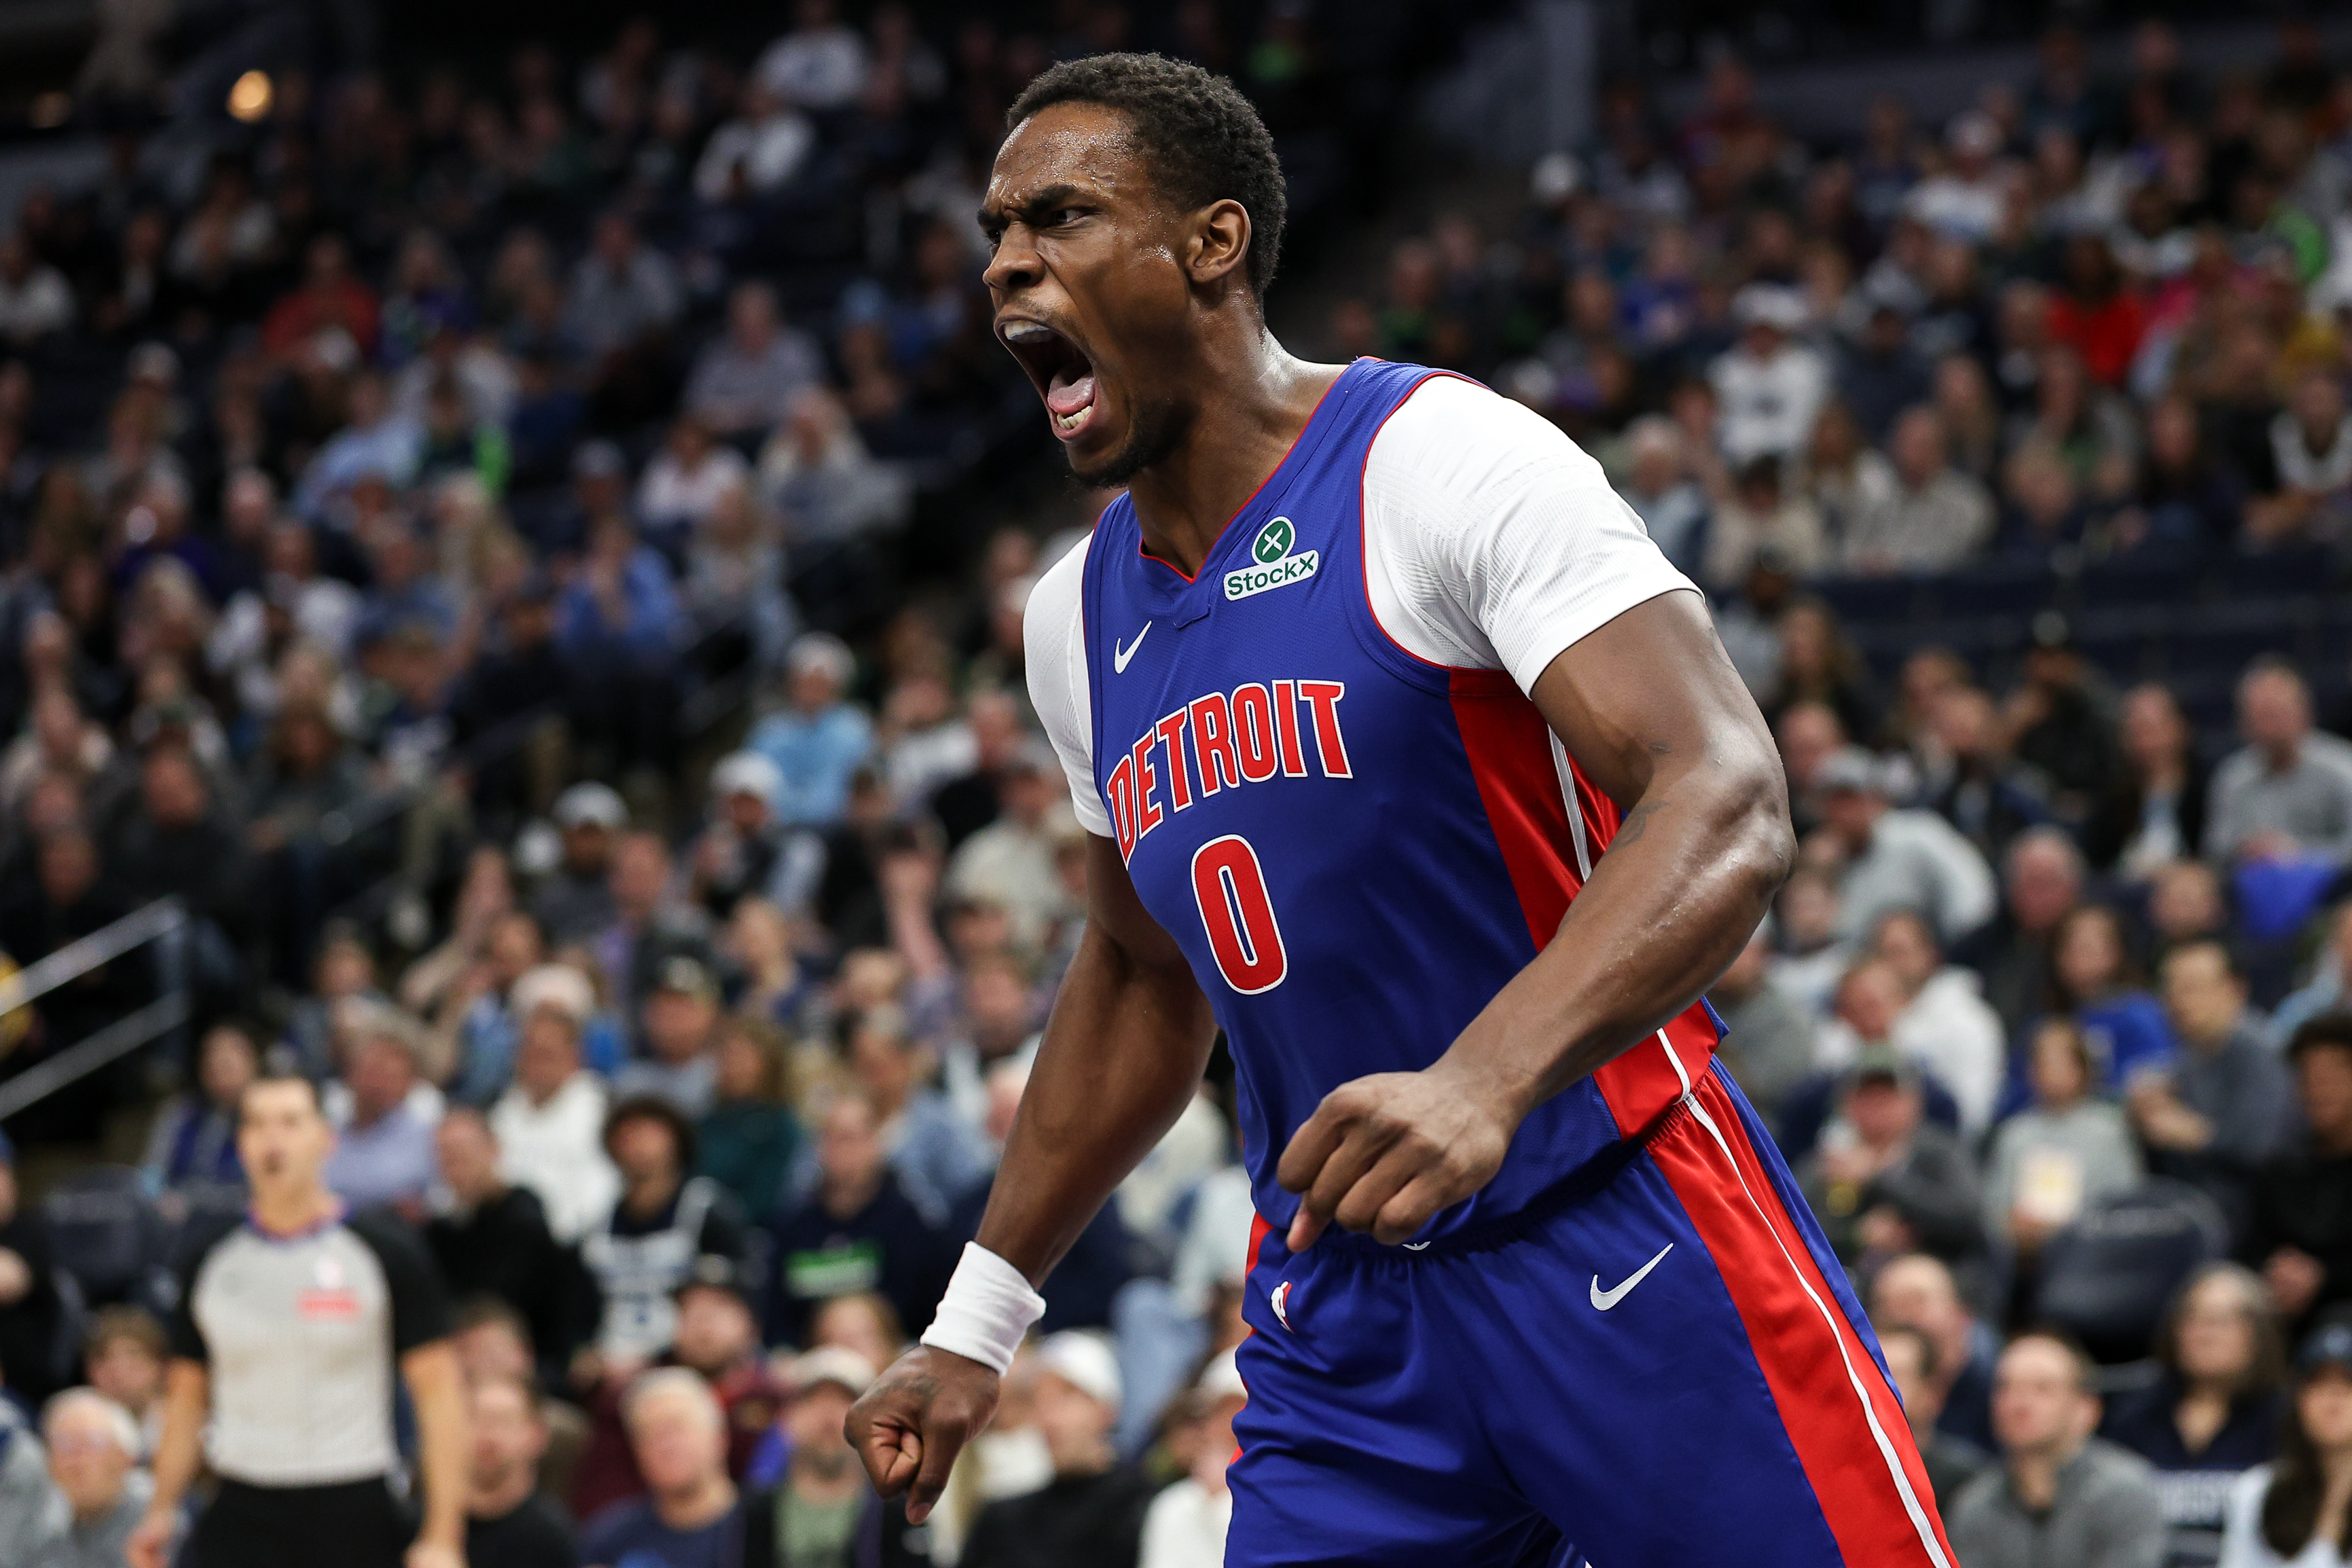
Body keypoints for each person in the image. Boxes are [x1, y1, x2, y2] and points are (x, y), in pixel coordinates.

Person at [850, 54, 1947, 1568]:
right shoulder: (1071, 619)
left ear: (1213, 245)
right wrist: (977, 1319)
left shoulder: (1437, 458)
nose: (1007, 263)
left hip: (1618, 1225)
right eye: (996, 232)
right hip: (1344, 1316)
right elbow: (1137, 973)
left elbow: (1727, 789)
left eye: (1061, 216)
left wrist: (1483, 1080)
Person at [127, 1072, 467, 1568]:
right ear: (241, 1143)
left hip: (351, 1499)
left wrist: (443, 1534)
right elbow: (186, 1399)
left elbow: (439, 1397)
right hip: (242, 1500)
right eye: (257, 1124)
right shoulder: (210, 1260)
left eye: (290, 1122)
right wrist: (161, 1508)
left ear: (324, 1140)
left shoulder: (384, 1251)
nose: (272, 1138)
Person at [2103, 1265, 2286, 1568]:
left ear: (2259, 1334)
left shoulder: (2285, 1421)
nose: (2204, 1333)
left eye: (2222, 1321)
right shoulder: (2133, 1416)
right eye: (2192, 1319)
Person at [1944, 1332, 2167, 1568]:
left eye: (2042, 1389)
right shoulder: (1975, 1503)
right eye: (2005, 1387)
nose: (2019, 1403)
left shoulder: (2125, 1492)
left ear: (2087, 1409)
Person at [424, 1108, 594, 1386]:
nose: (455, 1165)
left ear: (494, 1149)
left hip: (535, 1365)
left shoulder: (525, 1221)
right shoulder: (441, 1232)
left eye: (464, 1154)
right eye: (446, 1156)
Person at [580, 1097, 746, 1381]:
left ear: (677, 1142)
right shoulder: (598, 1225)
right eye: (629, 1135)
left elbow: (733, 1295)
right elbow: (580, 1308)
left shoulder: (707, 1212)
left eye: (651, 1134)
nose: (639, 1146)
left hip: (689, 1363)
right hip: (613, 1365)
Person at [2131, 943, 2294, 1231]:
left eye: (2192, 988)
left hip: (2254, 1225)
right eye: (2170, 990)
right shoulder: (2186, 1060)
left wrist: (2197, 1134)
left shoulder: (2256, 1050)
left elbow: (2265, 1151)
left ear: (2235, 989)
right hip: (2193, 1213)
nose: (2178, 1002)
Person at [768, 1093, 951, 1349]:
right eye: (833, 1139)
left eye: (852, 1139)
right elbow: (777, 1313)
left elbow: (925, 1308)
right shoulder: (793, 1226)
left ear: (876, 1143)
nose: (843, 1151)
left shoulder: (910, 1223)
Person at [958, 1332, 1154, 1568]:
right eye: (1041, 1401)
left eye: (1067, 1397)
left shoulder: (1148, 1509)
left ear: (1107, 1409)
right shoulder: (1002, 1519)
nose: (1051, 1417)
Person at [740, 1347, 931, 1568]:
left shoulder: (901, 1514)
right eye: (813, 1399)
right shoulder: (752, 1512)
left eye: (845, 1400)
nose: (828, 1414)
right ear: (788, 1417)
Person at [1982, 1019, 2142, 1257]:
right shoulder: (2014, 1133)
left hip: (2092, 1253)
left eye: (2062, 1063)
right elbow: (1992, 1209)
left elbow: (2126, 1204)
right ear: (2032, 1072)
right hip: (2021, 1258)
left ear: (2082, 1069)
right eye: (2044, 1064)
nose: (2052, 1073)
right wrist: (2013, 1226)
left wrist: (2064, 1229)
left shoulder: (2109, 1131)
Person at [1814, 746, 1998, 947]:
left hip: (1941, 958)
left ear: (1874, 797)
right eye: (1833, 803)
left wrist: (1962, 949)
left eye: (1850, 799)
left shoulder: (1916, 833)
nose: (1843, 812)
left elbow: (1972, 890)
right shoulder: (1833, 865)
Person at [2216, 1319, 2352, 1568]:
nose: (2334, 1398)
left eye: (2348, 1384)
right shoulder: (2255, 1492)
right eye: (2318, 1384)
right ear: (2297, 1399)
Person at [2245, 1017, 2352, 1332]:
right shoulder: (2281, 1168)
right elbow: (2251, 1249)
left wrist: (2324, 1277)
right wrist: (2274, 1271)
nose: (2318, 1090)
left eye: (2332, 1076)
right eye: (2307, 1078)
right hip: (2282, 1318)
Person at [577, 1370, 743, 1568]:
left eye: (677, 1428)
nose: (667, 1445)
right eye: (650, 1434)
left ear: (720, 1436)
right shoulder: (608, 1539)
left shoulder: (765, 1530)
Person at [2207, 661, 2352, 869]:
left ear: (2305, 712)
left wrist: (2301, 854)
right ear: (2243, 722)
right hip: (2251, 888)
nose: (2269, 727)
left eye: (2276, 714)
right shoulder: (2232, 776)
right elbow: (2215, 850)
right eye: (2259, 716)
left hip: (2330, 888)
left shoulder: (2342, 767)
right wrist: (2245, 850)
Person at [1873, 1253, 2000, 1451]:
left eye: (1917, 1301)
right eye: (1890, 1304)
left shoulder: (1994, 1379)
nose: (1903, 1315)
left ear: (1959, 1312)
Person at [1138, 1352, 1248, 1568]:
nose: (1231, 1428)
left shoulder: (1286, 1499)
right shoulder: (1171, 1506)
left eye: (1241, 1411)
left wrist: (1221, 1500)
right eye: (1220, 1414)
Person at [463, 1375, 579, 1568]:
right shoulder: (426, 1525)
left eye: (503, 1421)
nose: (488, 1436)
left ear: (538, 1435)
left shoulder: (552, 1539)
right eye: (477, 1419)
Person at [1879, 1324, 1991, 1512]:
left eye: (1894, 1375)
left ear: (1931, 1393)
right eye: (1869, 1374)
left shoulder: (1970, 1483)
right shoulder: (1837, 1476)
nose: (1877, 1387)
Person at [33, 1389, 149, 1568]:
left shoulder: (156, 1519)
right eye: (64, 1445)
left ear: (126, 1457)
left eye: (92, 1443)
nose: (76, 1460)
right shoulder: (44, 1525)